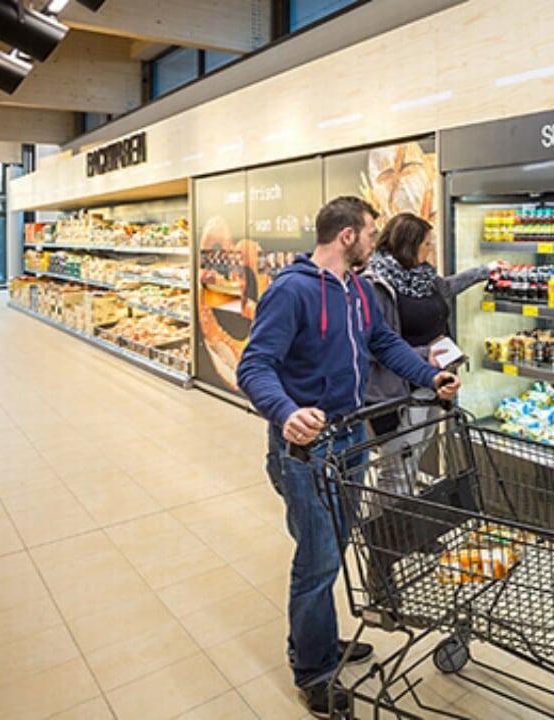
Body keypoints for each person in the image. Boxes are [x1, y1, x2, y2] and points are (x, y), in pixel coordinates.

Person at [236, 196, 460, 718]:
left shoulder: (356, 290)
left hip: (349, 441)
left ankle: (321, 641)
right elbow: (255, 366)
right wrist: (285, 411)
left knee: (334, 546)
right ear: (347, 237)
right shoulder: (290, 291)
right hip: (306, 449)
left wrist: (429, 376)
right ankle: (312, 669)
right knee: (318, 559)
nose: (373, 239)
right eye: (369, 231)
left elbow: (384, 343)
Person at [363, 212, 503, 464]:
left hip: (432, 381)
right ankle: (392, 505)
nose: (430, 249)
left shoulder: (421, 276)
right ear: (410, 244)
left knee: (414, 456)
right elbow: (374, 346)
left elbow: (447, 287)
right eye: (427, 243)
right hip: (402, 389)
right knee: (399, 466)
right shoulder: (377, 285)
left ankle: (406, 502)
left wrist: (485, 271)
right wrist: (423, 355)